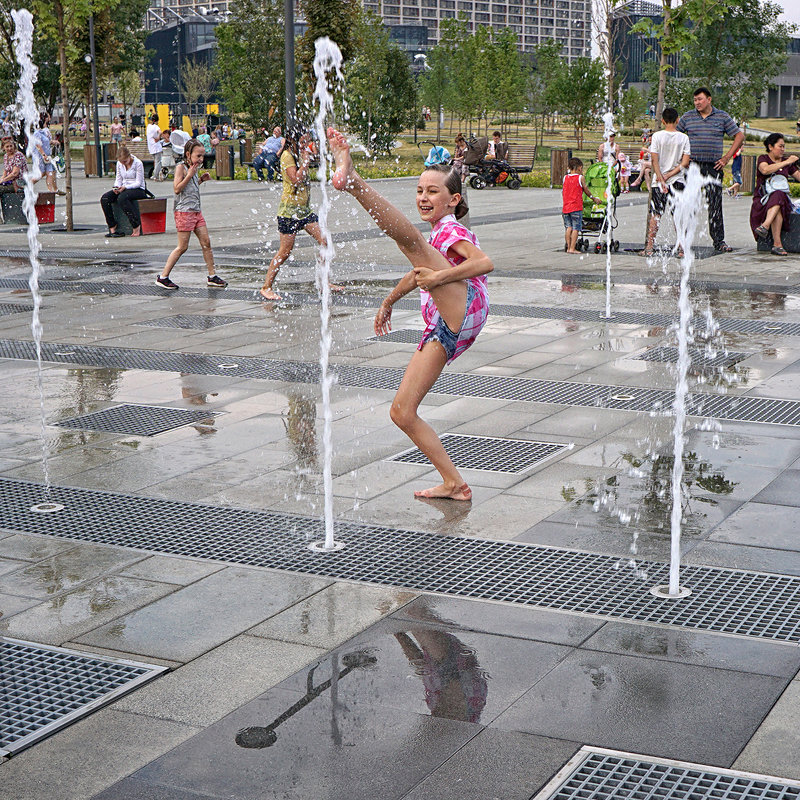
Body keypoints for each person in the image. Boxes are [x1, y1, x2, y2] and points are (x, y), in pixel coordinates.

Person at [327, 126, 493, 501]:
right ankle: (454, 483)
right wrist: (390, 300)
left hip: (467, 307)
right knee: (402, 412)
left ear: (453, 200)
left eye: (433, 191)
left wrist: (440, 276)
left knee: (410, 242)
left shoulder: (449, 228)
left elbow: (485, 263)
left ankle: (353, 181)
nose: (423, 197)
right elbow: (419, 271)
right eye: (419, 190)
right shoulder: (437, 233)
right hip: (447, 326)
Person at [259, 128, 341, 300]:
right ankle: (266, 287)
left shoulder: (299, 154)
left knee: (325, 241)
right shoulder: (287, 156)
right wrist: (305, 162)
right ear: (292, 140)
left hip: (304, 211)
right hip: (289, 212)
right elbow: (296, 178)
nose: (305, 146)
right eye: (302, 142)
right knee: (284, 252)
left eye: (307, 142)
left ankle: (324, 281)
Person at [677, 87, 744, 252]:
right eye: (695, 100)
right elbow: (676, 136)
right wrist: (683, 157)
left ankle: (719, 241)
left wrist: (727, 157)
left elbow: (739, 136)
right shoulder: (688, 116)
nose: (697, 103)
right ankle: (683, 241)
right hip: (692, 166)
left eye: (700, 99)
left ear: (709, 99)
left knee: (715, 203)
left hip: (714, 165)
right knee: (687, 203)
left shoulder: (721, 116)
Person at [156, 139, 227, 290]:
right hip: (184, 212)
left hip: (196, 211)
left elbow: (189, 188)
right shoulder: (181, 168)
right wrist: (189, 175)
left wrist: (200, 179)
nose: (201, 159)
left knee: (206, 243)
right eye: (198, 156)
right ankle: (163, 277)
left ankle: (212, 276)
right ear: (188, 154)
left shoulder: (193, 168)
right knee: (182, 247)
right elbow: (177, 189)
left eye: (202, 156)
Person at [647, 106, 691, 256]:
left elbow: (654, 160)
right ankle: (681, 248)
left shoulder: (657, 136)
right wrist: (670, 175)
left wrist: (660, 177)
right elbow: (685, 163)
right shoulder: (684, 138)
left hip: (658, 181)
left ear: (663, 121)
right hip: (677, 180)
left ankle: (649, 247)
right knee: (677, 215)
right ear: (678, 120)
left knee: (656, 214)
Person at [750, 133, 799, 257]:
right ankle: (777, 245)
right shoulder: (763, 158)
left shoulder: (788, 164)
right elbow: (765, 170)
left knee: (779, 196)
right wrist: (787, 162)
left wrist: (790, 163)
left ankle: (765, 226)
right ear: (771, 146)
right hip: (763, 200)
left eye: (784, 147)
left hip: (780, 201)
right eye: (780, 146)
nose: (783, 149)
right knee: (778, 196)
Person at [100, 144, 148, 238]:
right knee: (105, 198)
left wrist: (125, 187)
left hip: (137, 189)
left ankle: (135, 225)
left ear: (129, 157)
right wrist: (116, 187)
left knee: (122, 198)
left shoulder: (138, 163)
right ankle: (112, 226)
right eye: (121, 162)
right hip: (124, 187)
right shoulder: (119, 164)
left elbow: (138, 182)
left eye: (125, 161)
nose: (124, 164)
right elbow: (118, 178)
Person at [562, 157, 602, 254]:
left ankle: (568, 247)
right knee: (576, 228)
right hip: (576, 207)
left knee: (568, 227)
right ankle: (572, 248)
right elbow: (586, 190)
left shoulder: (565, 177)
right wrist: (593, 198)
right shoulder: (580, 178)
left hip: (566, 207)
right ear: (579, 168)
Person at [32, 112, 61, 194]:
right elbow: (37, 144)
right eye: (48, 116)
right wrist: (43, 154)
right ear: (44, 118)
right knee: (41, 173)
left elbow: (47, 141)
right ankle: (28, 185)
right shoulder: (38, 132)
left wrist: (53, 142)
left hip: (47, 155)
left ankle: (52, 191)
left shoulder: (46, 130)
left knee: (50, 172)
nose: (50, 118)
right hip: (40, 156)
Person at [146, 113, 163, 181]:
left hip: (151, 147)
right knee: (158, 162)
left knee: (155, 161)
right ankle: (156, 175)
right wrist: (158, 137)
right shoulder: (156, 127)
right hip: (157, 146)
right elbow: (160, 132)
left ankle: (155, 174)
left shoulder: (148, 126)